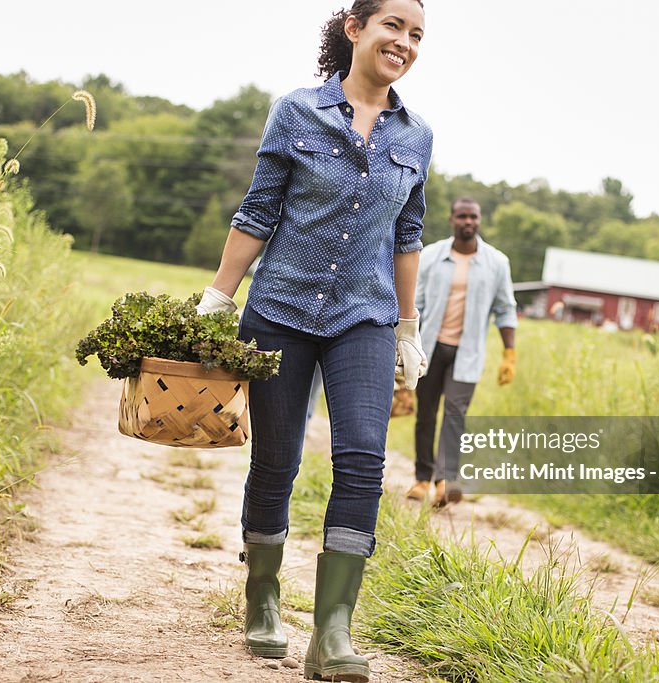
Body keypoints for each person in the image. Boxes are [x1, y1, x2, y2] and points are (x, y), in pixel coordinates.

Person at [194, 2, 431, 680]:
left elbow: (407, 236)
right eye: (394, 26)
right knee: (277, 462)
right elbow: (259, 210)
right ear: (355, 29)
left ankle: (331, 630)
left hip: (366, 318)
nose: (405, 42)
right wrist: (219, 294)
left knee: (363, 461)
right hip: (280, 311)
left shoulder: (417, 137)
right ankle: (263, 594)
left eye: (416, 35)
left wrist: (408, 326)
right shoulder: (297, 112)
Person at [407, 198, 518, 507]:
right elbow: (415, 304)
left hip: (467, 354)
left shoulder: (497, 263)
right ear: (451, 219)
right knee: (426, 415)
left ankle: (445, 481)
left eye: (473, 216)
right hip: (429, 348)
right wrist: (404, 345)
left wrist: (510, 353)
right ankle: (421, 478)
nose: (468, 222)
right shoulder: (430, 256)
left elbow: (505, 310)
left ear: (479, 220)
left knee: (455, 415)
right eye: (462, 216)